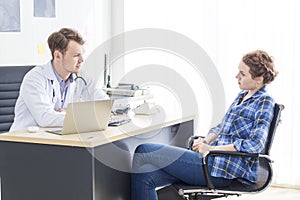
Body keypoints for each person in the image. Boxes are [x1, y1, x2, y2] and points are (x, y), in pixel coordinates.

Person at [131, 50, 278, 200]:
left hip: (221, 171)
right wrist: (205, 141)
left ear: (258, 79)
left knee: (144, 150)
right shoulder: (243, 95)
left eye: (243, 74)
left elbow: (255, 144)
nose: (237, 76)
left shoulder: (264, 102)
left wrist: (211, 149)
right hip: (211, 161)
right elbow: (221, 128)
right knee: (144, 176)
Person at [10, 28, 108, 131]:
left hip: (57, 138)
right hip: (25, 141)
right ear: (57, 56)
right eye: (76, 55)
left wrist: (68, 113)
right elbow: (45, 118)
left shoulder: (80, 77)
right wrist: (84, 116)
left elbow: (103, 104)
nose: (82, 60)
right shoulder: (34, 79)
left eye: (82, 54)